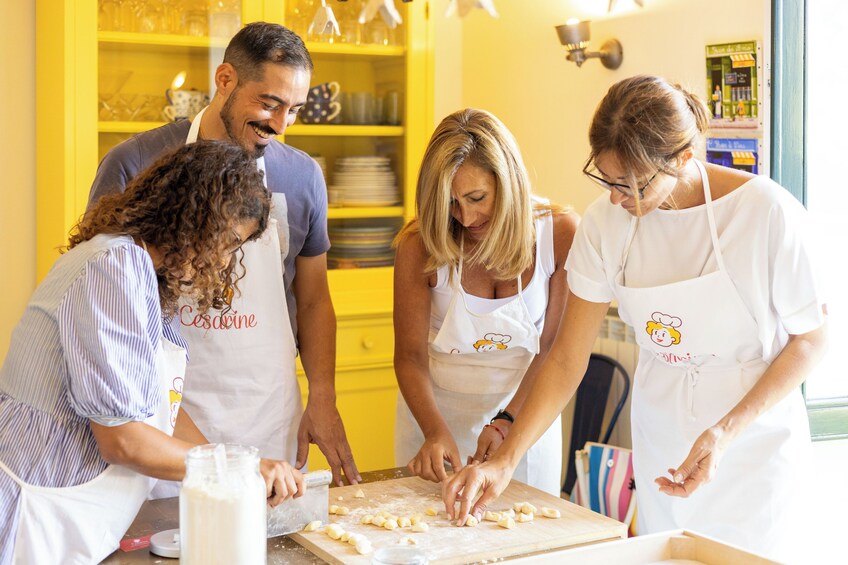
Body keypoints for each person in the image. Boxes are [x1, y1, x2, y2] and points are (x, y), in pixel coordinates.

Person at [443, 76, 827, 560]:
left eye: (632, 184)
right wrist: (506, 460)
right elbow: (565, 359)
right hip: (663, 444)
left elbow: (812, 340)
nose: (617, 199)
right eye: (607, 180)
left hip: (753, 449)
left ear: (684, 158)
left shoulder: (765, 214)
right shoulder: (606, 225)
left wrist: (725, 431)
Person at [0, 141, 305, 564]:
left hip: (72, 516)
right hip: (35, 515)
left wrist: (225, 471)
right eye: (230, 243)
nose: (224, 263)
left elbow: (164, 408)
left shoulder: (139, 270)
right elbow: (122, 439)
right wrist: (238, 471)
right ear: (198, 216)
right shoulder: (112, 267)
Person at [88, 22, 359, 487]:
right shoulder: (136, 164)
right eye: (269, 103)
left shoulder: (302, 178)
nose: (278, 124)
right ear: (226, 79)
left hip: (270, 413)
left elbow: (314, 300)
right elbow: (108, 292)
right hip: (167, 419)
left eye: (292, 110)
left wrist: (323, 397)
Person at [393, 108, 579, 495]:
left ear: (507, 181)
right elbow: (409, 356)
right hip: (434, 414)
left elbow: (553, 350)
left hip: (526, 414)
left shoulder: (558, 234)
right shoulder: (419, 244)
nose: (465, 216)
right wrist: (434, 431)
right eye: (450, 203)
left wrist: (508, 422)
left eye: (477, 197)